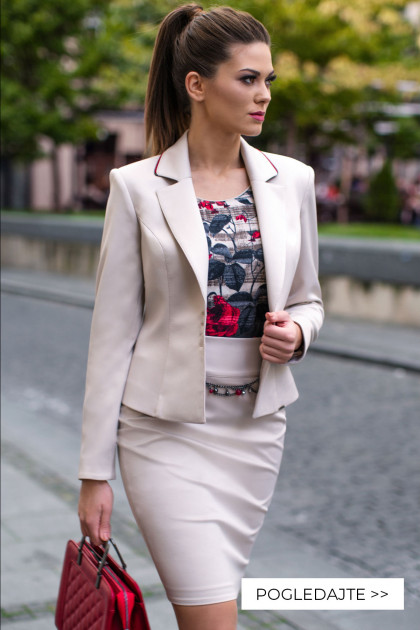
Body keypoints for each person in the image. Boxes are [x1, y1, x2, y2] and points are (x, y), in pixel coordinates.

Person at [78, 4, 324, 629]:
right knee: (212, 617)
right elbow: (111, 335)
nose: (264, 95)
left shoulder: (293, 181)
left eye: (268, 80)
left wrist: (298, 332)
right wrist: (93, 474)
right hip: (162, 433)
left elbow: (309, 299)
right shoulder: (137, 186)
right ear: (197, 84)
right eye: (248, 79)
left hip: (255, 430)